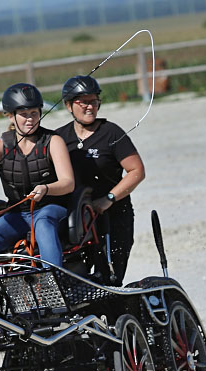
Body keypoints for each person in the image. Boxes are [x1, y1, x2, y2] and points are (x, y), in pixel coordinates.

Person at [0, 83, 74, 267]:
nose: (30, 120)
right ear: (10, 115)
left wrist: (46, 188)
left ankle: (52, 279)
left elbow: (68, 183)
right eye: (24, 115)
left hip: (50, 208)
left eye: (34, 113)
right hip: (17, 213)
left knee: (43, 223)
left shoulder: (54, 142)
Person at [55, 75, 145, 284]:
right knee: (75, 279)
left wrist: (109, 198)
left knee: (110, 278)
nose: (90, 107)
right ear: (69, 105)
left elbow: (137, 171)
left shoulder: (111, 132)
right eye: (83, 102)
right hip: (77, 222)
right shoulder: (59, 137)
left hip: (112, 216)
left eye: (94, 101)